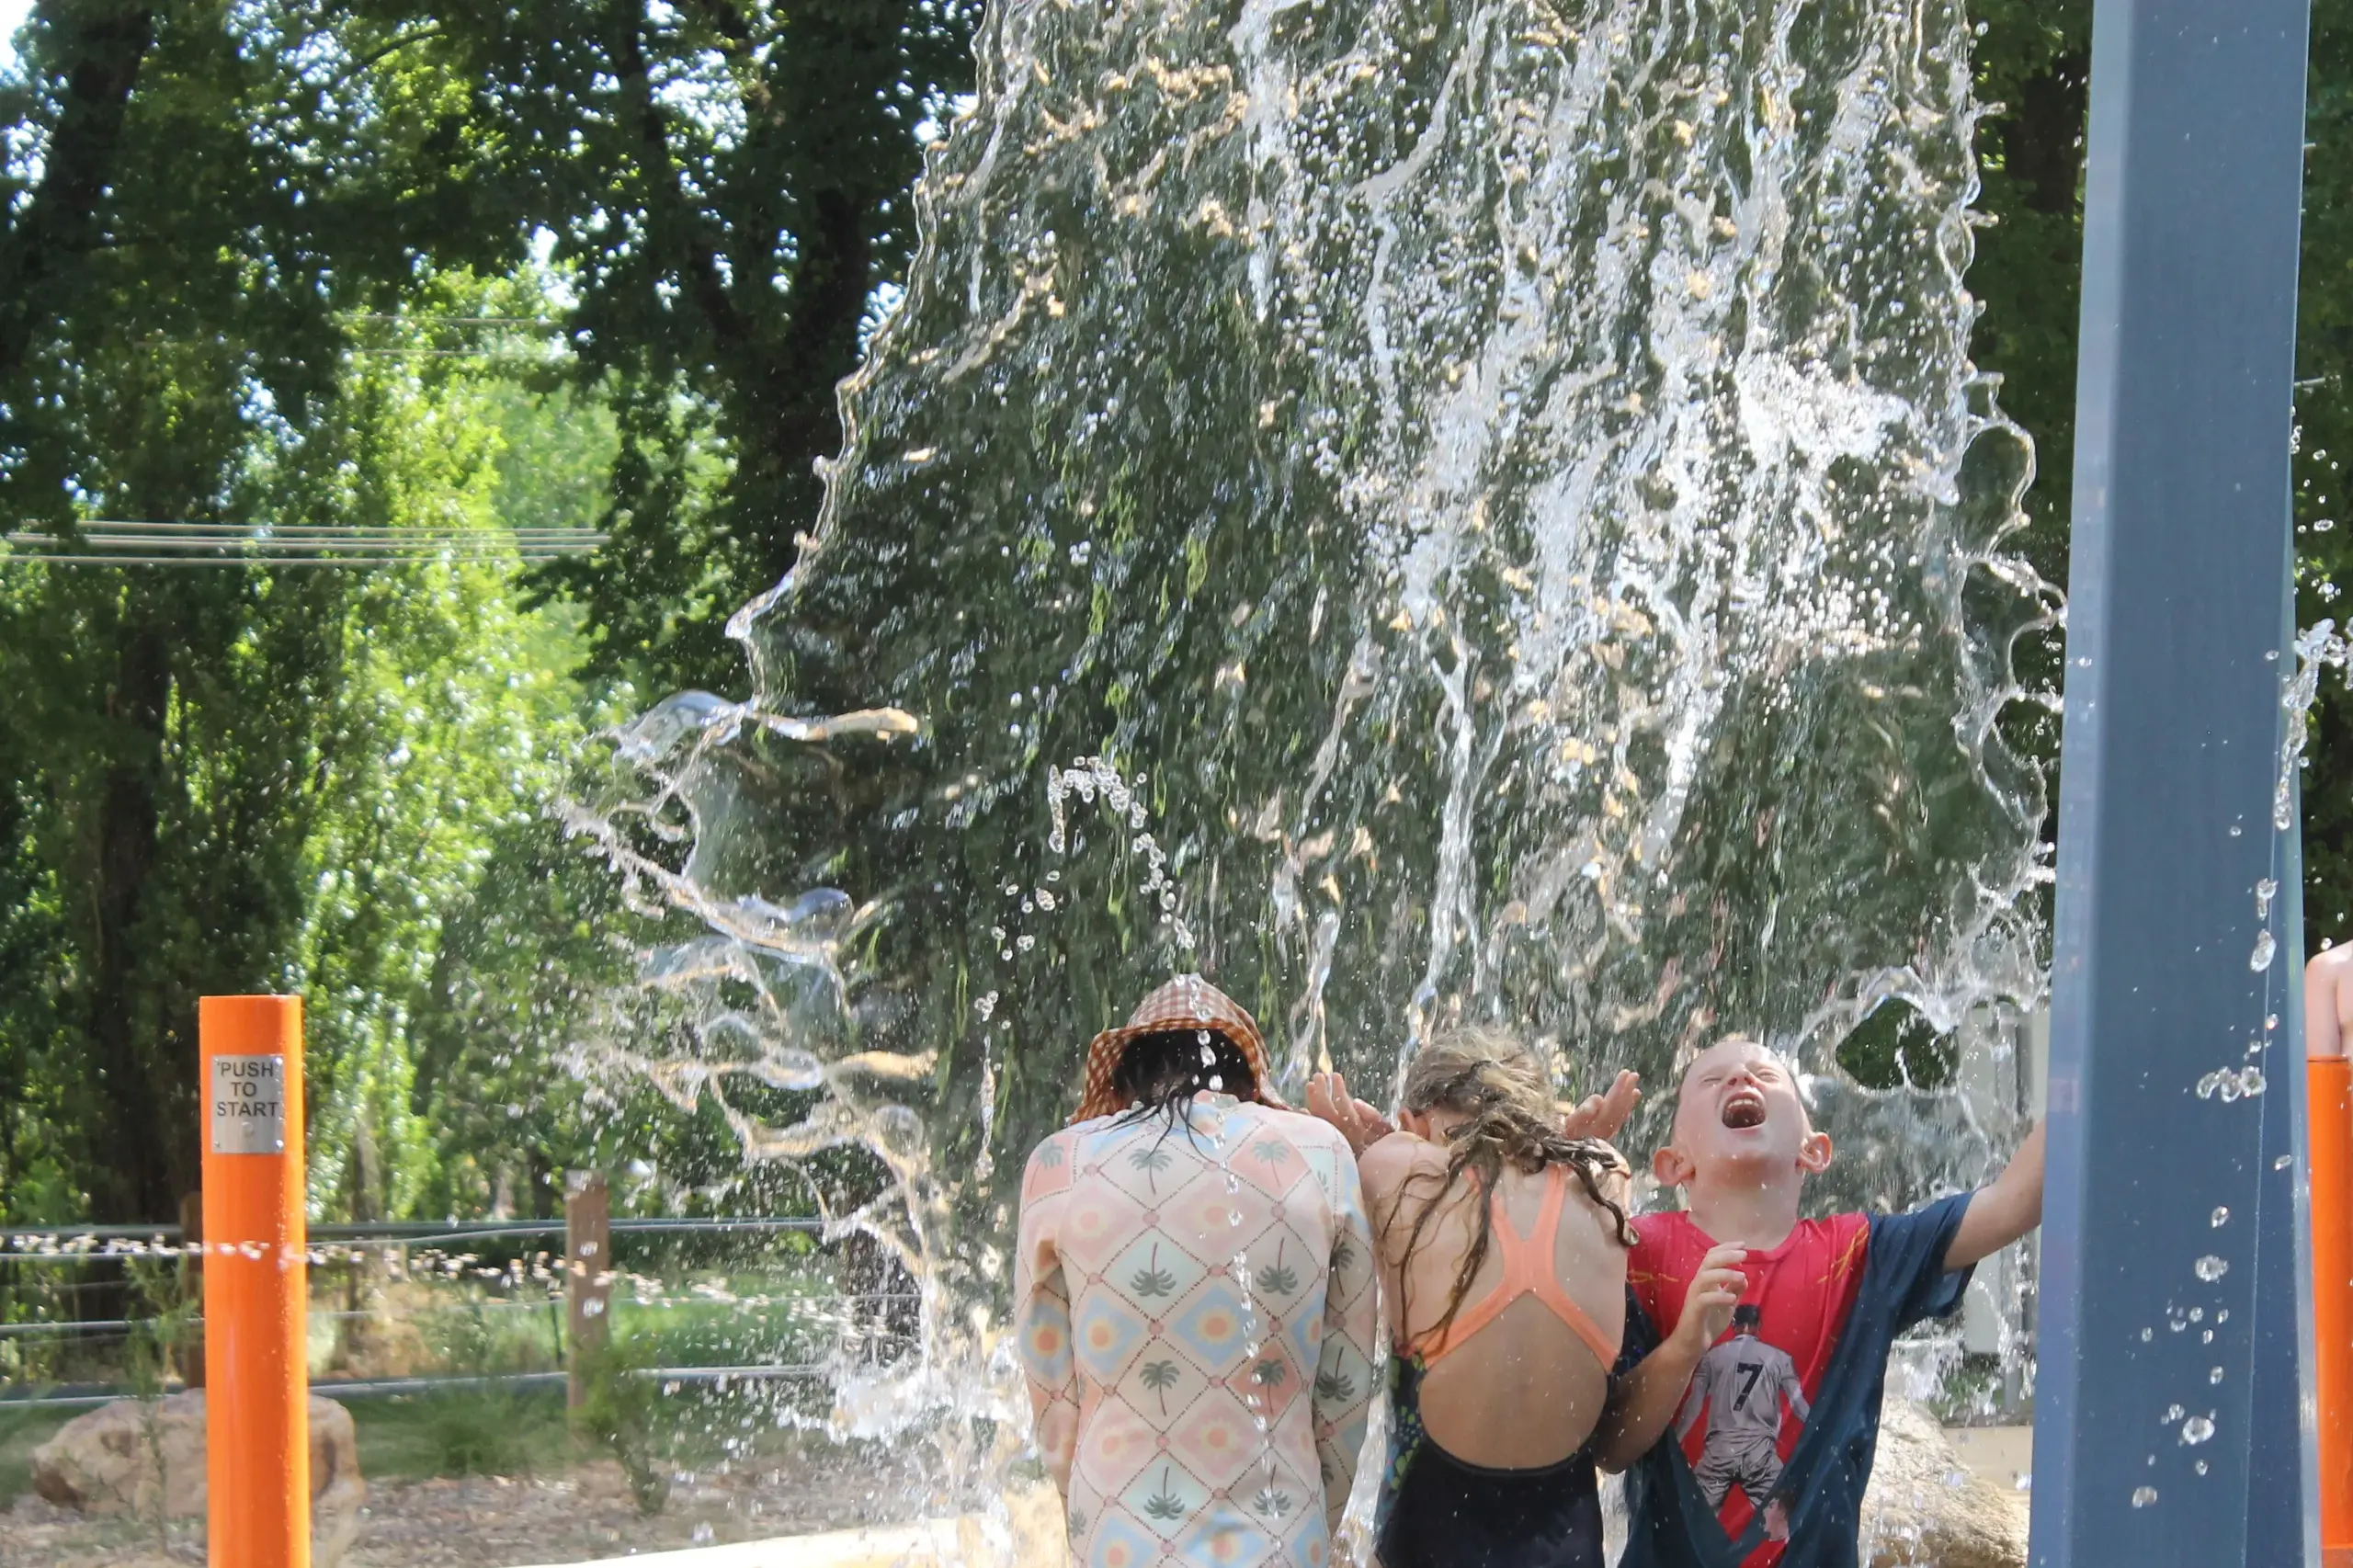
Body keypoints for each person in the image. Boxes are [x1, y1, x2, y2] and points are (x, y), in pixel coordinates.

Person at [1595, 1034, 2046, 1568]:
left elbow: (2015, 1203)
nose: (1741, 1078)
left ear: (1814, 1150)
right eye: (1713, 1080)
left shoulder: (1860, 1257)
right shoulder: (1636, 1254)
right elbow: (1611, 1447)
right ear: (1673, 1164)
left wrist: (2097, 1049)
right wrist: (1684, 1346)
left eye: (1766, 1077)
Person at [1014, 975, 1379, 1568]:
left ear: (1127, 1077)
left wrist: (1088, 1523)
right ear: (1246, 1076)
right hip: (1285, 1542)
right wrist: (1313, 1522)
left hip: (1119, 1543)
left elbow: (1053, 1399)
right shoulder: (1322, 1154)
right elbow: (1346, 1388)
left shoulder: (1060, 1165)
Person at [1306, 1028, 1643, 1568]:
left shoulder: (1393, 1169)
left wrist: (1352, 1139)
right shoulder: (1606, 1172)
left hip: (1427, 1546)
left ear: (1415, 1123)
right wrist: (1577, 1145)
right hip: (1570, 1552)